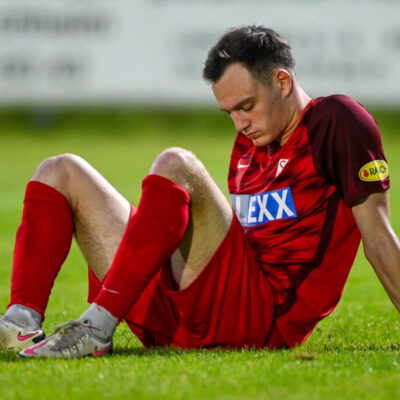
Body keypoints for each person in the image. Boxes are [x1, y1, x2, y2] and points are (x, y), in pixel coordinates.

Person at [1, 25, 399, 359]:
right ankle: (20, 322)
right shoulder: (252, 142)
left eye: (247, 106)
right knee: (60, 170)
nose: (240, 123)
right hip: (196, 315)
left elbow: (379, 237)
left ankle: (96, 326)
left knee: (177, 163)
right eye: (230, 113)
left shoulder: (335, 121)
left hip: (262, 320)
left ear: (282, 81)